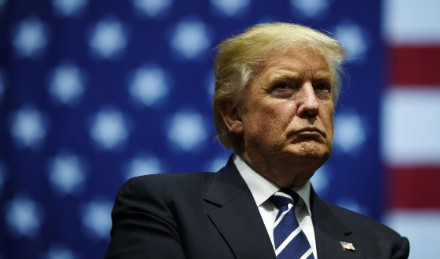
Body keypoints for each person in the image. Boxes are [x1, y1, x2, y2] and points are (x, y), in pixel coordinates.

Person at [105, 22, 409, 259]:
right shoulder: (164, 208)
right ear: (235, 114)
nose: (312, 104)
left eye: (322, 87)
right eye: (284, 87)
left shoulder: (380, 246)